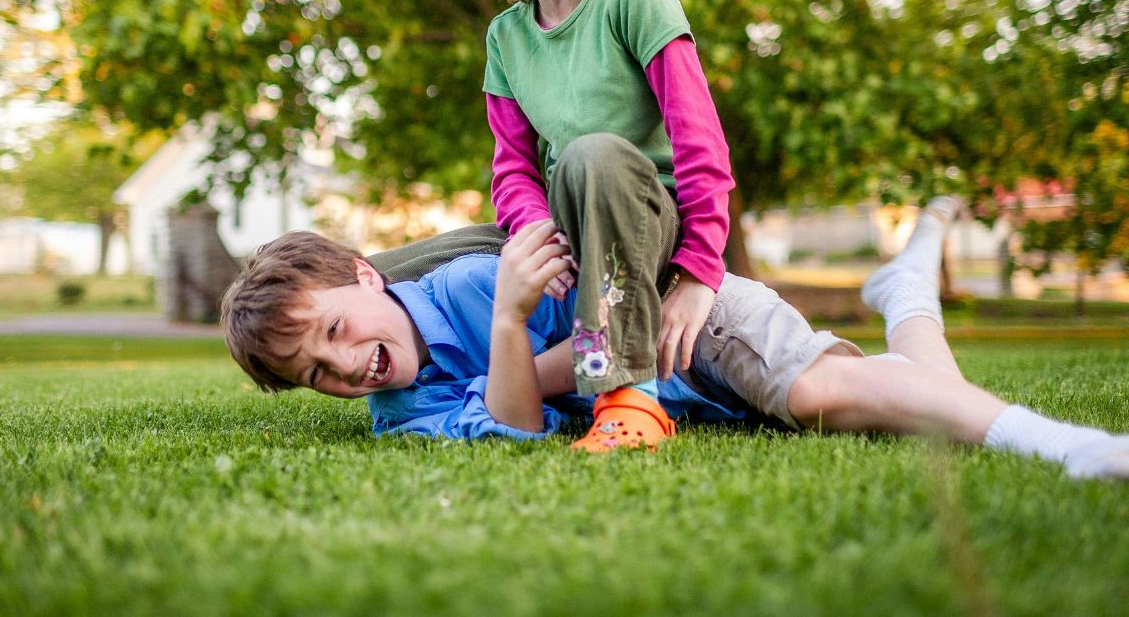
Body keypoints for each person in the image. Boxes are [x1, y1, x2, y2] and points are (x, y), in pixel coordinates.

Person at [220, 199, 1129, 479]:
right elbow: (515, 430)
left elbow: (617, 321)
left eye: (335, 330)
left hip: (690, 311)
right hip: (688, 385)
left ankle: (1064, 446)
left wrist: (527, 354)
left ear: (367, 274)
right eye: (316, 373)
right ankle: (906, 297)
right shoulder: (400, 413)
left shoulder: (464, 278)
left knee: (823, 395)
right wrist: (512, 329)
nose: (344, 364)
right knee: (899, 402)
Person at [455, 0, 735, 450]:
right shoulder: (506, 39)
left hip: (650, 221)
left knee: (591, 155)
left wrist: (698, 276)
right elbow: (513, 169)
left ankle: (627, 399)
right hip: (573, 227)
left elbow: (702, 147)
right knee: (424, 259)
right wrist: (534, 232)